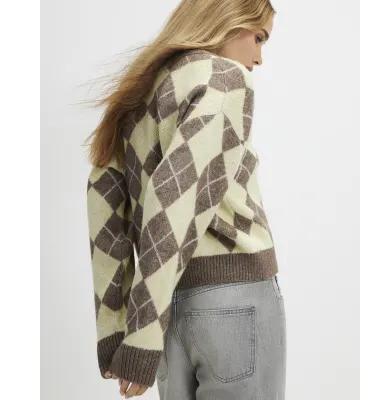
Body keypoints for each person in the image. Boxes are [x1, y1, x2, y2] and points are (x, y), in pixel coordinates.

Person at [85, 0, 285, 398]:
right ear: (229, 19)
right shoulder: (225, 78)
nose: (259, 58)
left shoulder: (139, 94)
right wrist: (142, 338)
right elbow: (175, 195)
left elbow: (103, 205)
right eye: (259, 38)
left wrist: (121, 332)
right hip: (236, 301)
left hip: (167, 312)